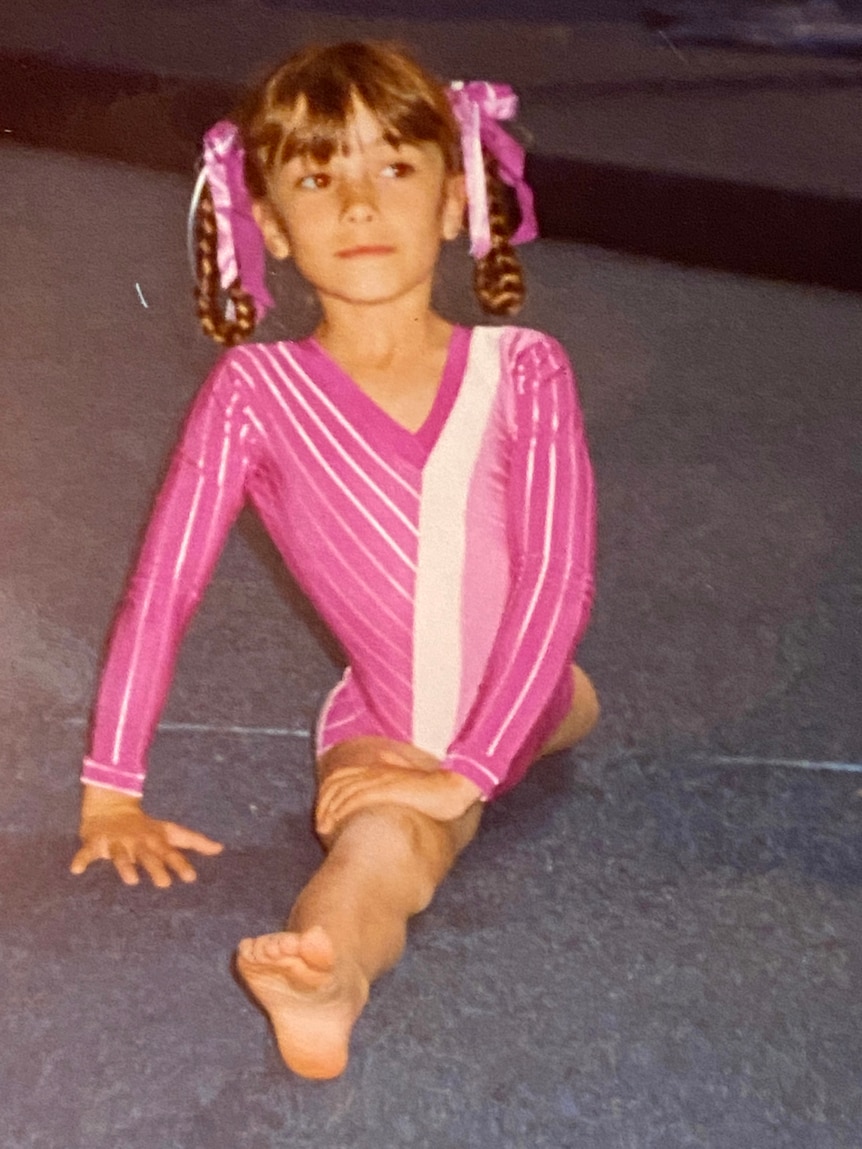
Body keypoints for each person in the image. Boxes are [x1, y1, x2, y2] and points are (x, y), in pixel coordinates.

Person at [70, 41, 599, 1080]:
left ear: (456, 198)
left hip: (535, 693)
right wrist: (110, 794)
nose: (358, 205)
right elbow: (162, 587)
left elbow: (554, 582)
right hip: (384, 719)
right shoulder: (256, 393)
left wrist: (474, 772)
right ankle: (327, 976)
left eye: (394, 168)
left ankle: (523, 738)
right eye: (317, 178)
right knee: (382, 846)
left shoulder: (523, 368)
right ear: (266, 224)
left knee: (564, 703)